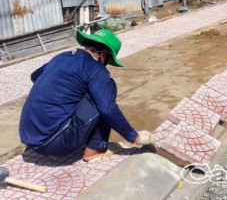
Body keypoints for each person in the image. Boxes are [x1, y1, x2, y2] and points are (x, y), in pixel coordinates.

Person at [19, 29, 157, 162]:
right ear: (103, 55)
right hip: (54, 143)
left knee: (87, 91)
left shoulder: (61, 57)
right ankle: (95, 149)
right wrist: (134, 137)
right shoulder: (96, 69)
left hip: (28, 137)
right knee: (107, 90)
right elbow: (108, 109)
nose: (106, 65)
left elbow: (35, 76)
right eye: (108, 60)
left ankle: (65, 133)